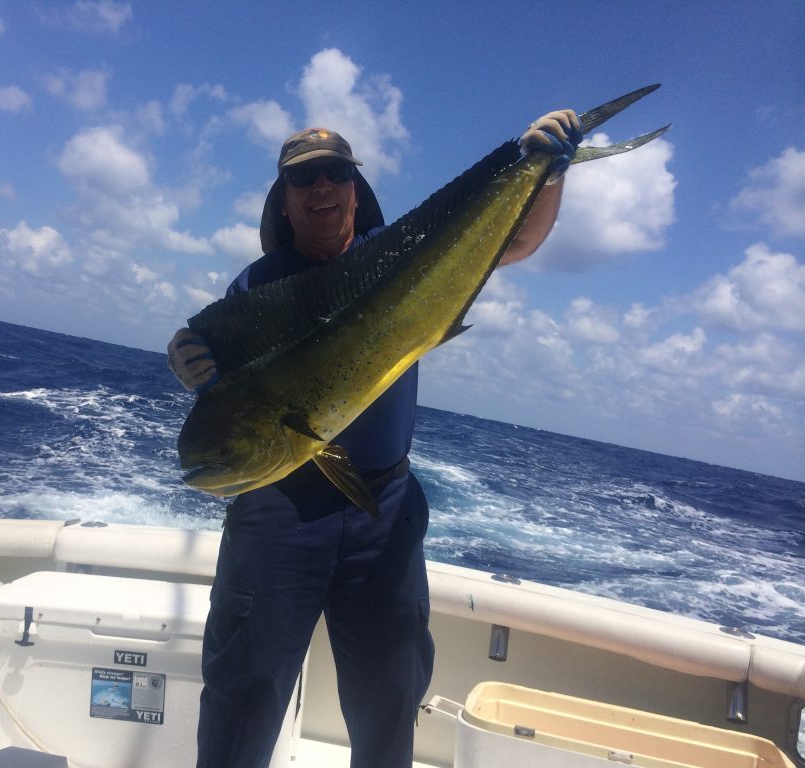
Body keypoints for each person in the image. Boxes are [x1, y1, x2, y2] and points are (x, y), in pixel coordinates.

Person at [167, 110, 583, 768]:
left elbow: (510, 243)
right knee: (241, 695)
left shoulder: (400, 255)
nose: (321, 187)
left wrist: (545, 168)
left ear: (355, 190)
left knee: (390, 699)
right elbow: (220, 386)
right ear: (285, 200)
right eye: (303, 179)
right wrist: (187, 358)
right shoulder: (255, 287)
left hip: (381, 509)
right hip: (279, 514)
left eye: (335, 173)